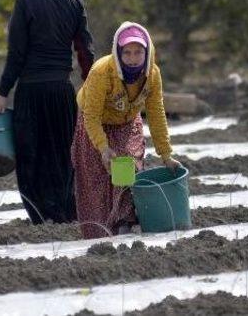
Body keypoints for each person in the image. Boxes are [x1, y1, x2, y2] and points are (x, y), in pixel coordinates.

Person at [0, 0, 94, 224]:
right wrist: (91, 83)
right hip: (61, 92)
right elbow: (85, 50)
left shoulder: (25, 3)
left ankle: (40, 216)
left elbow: (17, 54)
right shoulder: (74, 0)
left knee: (31, 155)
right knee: (63, 153)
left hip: (31, 93)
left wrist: (2, 92)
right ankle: (67, 213)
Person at [72, 21, 181, 239]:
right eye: (127, 52)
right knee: (98, 179)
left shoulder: (152, 74)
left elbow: (156, 112)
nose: (132, 58)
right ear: (118, 52)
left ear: (147, 52)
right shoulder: (102, 72)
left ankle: (126, 221)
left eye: (138, 52)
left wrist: (166, 154)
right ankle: (101, 234)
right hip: (95, 122)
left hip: (127, 122)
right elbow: (91, 115)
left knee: (126, 165)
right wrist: (103, 148)